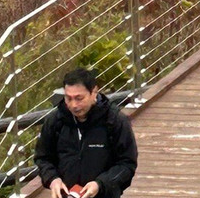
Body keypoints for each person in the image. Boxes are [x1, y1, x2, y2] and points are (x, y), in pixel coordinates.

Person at [35, 68, 138, 198]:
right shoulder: (55, 121)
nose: (73, 105)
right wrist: (53, 179)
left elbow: (126, 164)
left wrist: (100, 184)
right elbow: (43, 158)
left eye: (79, 98)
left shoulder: (115, 121)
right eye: (68, 98)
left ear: (94, 92)